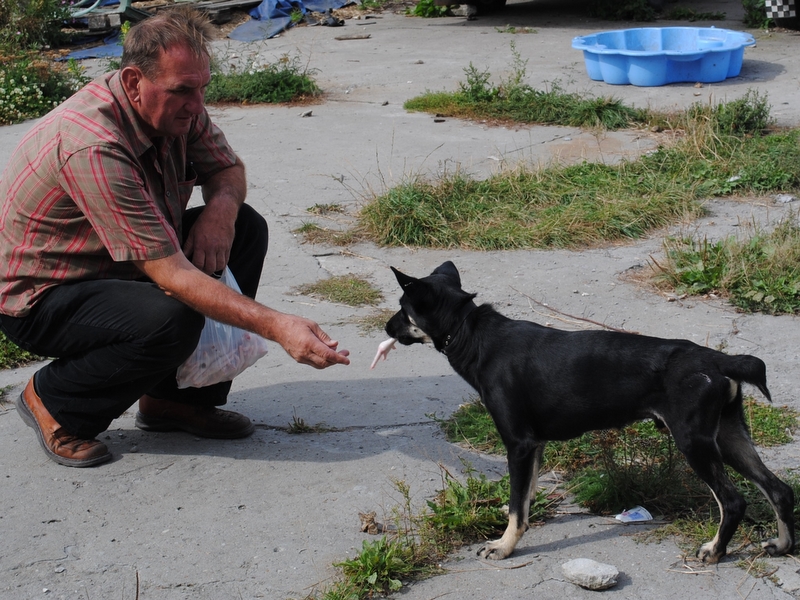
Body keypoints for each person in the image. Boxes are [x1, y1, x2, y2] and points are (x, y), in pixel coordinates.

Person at [0, 6, 350, 468]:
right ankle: (55, 401)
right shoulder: (94, 144)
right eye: (184, 90)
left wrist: (220, 214)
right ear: (132, 83)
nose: (197, 103)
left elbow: (226, 169)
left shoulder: (179, 108)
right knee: (169, 318)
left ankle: (174, 401)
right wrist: (278, 325)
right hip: (45, 294)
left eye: (202, 87)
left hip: (116, 261)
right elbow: (171, 274)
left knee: (245, 229)